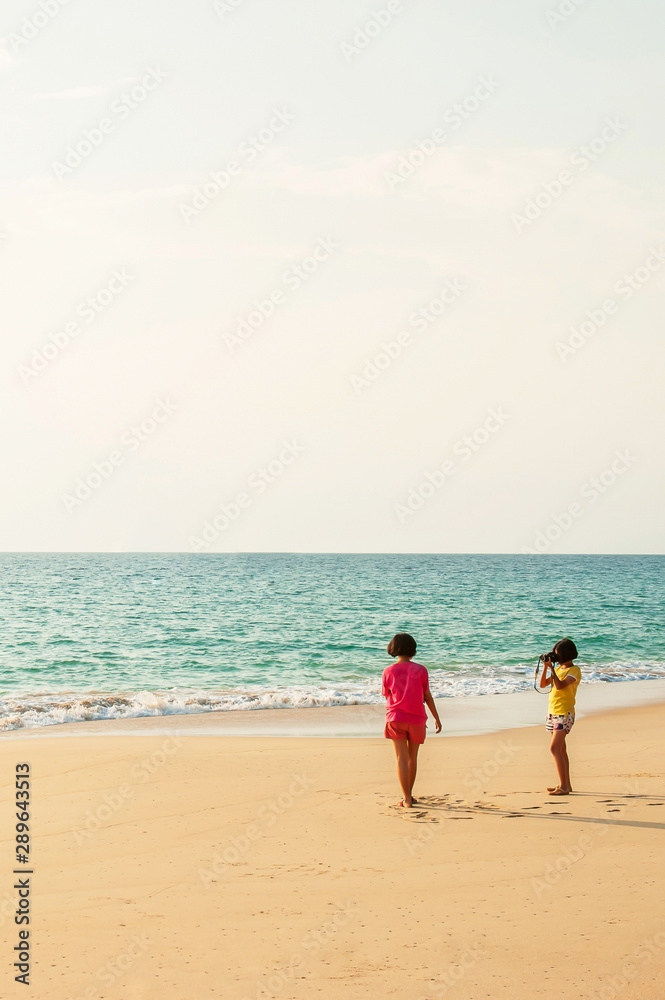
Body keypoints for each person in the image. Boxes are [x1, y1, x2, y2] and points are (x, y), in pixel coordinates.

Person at [382, 633, 442, 808]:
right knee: (412, 758)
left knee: (400, 758)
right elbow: (427, 697)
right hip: (416, 719)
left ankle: (406, 798)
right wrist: (436, 717)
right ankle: (411, 795)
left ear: (393, 649)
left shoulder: (388, 671)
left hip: (396, 718)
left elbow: (388, 695)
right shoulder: (421, 670)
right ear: (412, 649)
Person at [539, 637, 581, 796]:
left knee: (554, 748)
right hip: (553, 712)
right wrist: (546, 667)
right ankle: (566, 785)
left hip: (565, 713)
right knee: (561, 749)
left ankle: (564, 786)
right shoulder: (559, 670)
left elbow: (561, 685)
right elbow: (543, 684)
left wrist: (552, 669)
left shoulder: (574, 670)